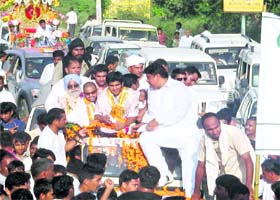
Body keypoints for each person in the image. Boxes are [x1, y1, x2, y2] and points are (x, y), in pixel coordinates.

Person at [137, 62, 199, 198]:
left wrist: (158, 121)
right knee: (145, 137)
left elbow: (179, 112)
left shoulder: (179, 88)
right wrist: (143, 123)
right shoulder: (151, 90)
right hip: (167, 131)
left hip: (186, 133)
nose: (147, 81)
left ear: (157, 76)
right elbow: (153, 113)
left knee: (190, 175)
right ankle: (163, 174)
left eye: (149, 78)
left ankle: (189, 196)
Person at [191, 112, 254, 200]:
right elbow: (201, 165)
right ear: (204, 129)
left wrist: (248, 187)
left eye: (216, 127)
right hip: (222, 183)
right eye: (210, 129)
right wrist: (196, 192)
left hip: (239, 179)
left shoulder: (234, 133)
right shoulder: (204, 139)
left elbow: (248, 160)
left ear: (220, 123)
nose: (215, 131)